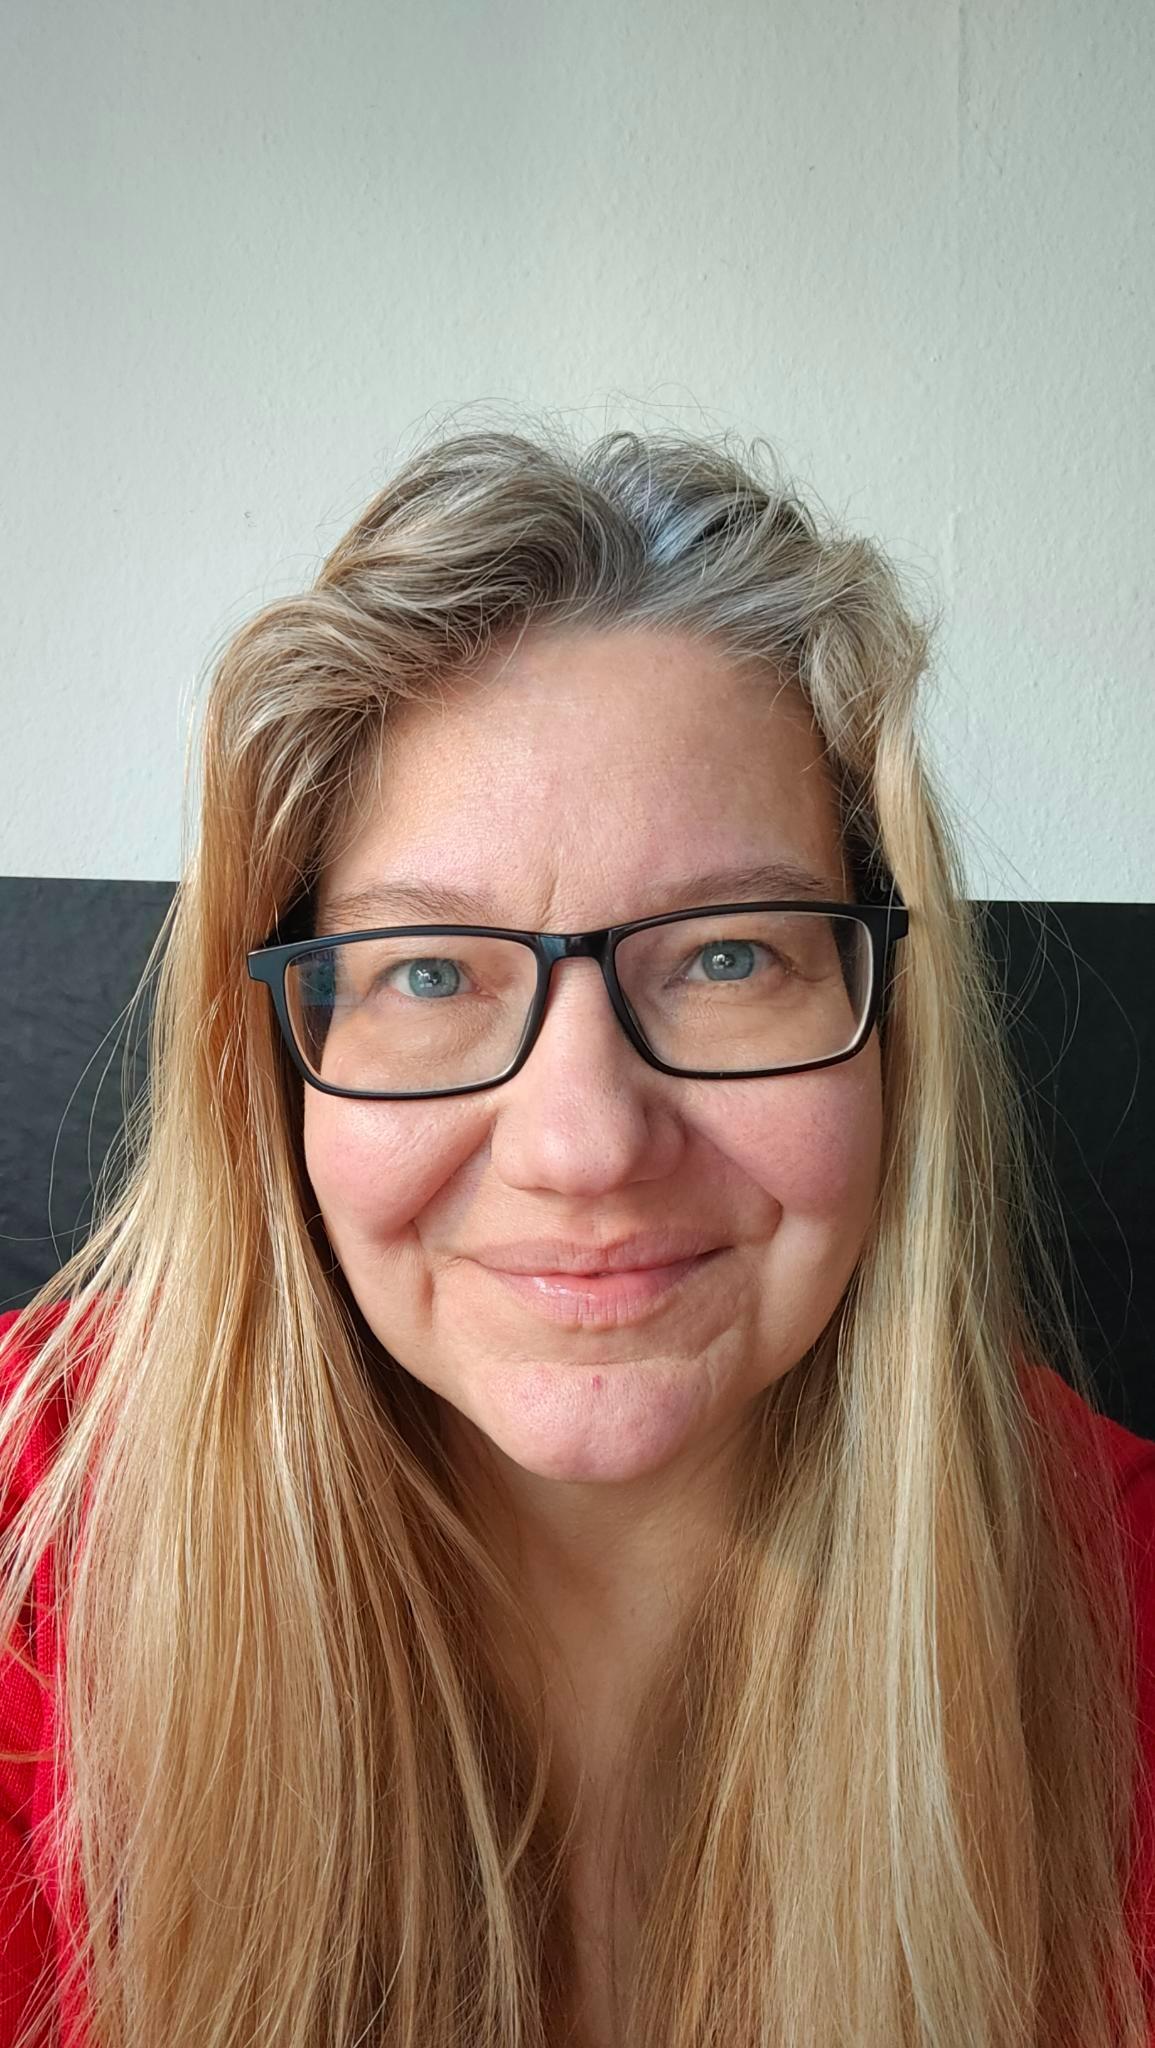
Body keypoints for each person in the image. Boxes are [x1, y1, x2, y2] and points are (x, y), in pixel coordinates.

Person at [1, 424, 1153, 2048]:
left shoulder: (1125, 1603)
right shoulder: (30, 1534)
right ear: (271, 1068)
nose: (585, 1145)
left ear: (895, 1028)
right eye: (427, 972)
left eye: (732, 957)